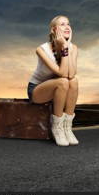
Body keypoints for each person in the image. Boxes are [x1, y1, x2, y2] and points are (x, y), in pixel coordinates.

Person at [27, 15, 79, 147]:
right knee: (63, 81)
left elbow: (71, 74)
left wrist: (66, 46)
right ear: (53, 30)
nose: (67, 27)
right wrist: (65, 48)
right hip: (38, 90)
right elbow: (61, 73)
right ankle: (57, 127)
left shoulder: (74, 48)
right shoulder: (42, 49)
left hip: (61, 89)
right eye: (62, 24)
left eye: (68, 24)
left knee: (73, 81)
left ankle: (67, 127)